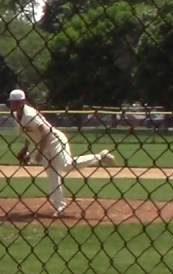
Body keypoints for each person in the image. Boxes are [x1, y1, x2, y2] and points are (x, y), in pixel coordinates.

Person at [9, 88, 115, 216]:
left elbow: (46, 132)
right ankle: (60, 208)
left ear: (23, 102)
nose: (13, 104)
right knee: (53, 176)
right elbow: (28, 132)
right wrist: (26, 149)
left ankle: (100, 156)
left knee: (66, 165)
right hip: (43, 144)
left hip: (54, 140)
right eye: (12, 102)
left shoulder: (30, 114)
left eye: (16, 102)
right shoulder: (16, 115)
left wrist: (38, 153)